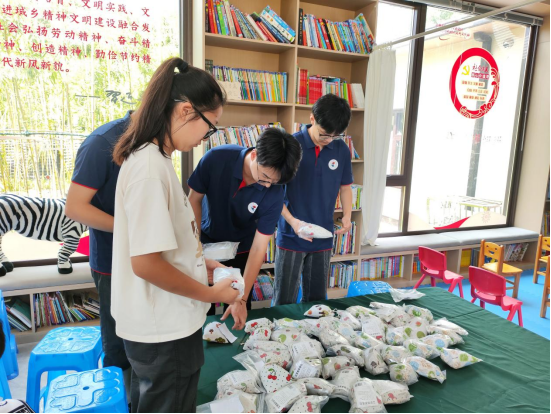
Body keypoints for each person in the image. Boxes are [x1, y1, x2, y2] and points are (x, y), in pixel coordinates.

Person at [111, 57, 239, 413]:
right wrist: (210, 294)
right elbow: (146, 264)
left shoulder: (155, 159)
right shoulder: (150, 168)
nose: (205, 139)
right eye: (209, 128)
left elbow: (164, 246)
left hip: (163, 323)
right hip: (164, 329)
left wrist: (201, 263)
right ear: (185, 111)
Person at [188, 128, 302, 330]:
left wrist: (241, 298)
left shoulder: (275, 192)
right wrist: (194, 246)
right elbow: (194, 200)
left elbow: (259, 248)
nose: (267, 186)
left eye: (274, 182)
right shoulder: (217, 158)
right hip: (204, 244)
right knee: (199, 310)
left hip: (241, 250)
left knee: (236, 311)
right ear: (255, 155)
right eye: (265, 177)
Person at [65, 104, 133, 381]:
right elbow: (75, 208)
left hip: (146, 257)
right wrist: (132, 230)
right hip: (111, 260)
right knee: (117, 342)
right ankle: (119, 394)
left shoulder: (151, 147)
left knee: (138, 336)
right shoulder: (102, 142)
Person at [274, 94, 353, 305]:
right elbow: (274, 192)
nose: (328, 139)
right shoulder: (290, 145)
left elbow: (345, 187)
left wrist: (347, 215)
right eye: (324, 134)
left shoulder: (341, 149)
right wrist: (293, 223)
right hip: (291, 234)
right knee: (284, 300)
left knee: (317, 302)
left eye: (335, 136)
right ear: (312, 119)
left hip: (323, 235)